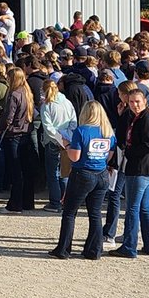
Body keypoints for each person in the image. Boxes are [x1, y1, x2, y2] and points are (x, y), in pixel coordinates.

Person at [49, 101, 115, 260]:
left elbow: (75, 156)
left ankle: (63, 249)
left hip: (82, 173)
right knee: (95, 213)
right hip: (101, 173)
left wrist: (66, 144)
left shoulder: (81, 131)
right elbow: (110, 155)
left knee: (70, 212)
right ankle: (94, 250)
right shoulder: (108, 132)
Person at [109, 89, 149, 258]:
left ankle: (129, 246)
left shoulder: (146, 119)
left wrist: (128, 153)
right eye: (131, 102)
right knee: (144, 207)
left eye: (137, 101)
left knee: (132, 208)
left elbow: (147, 146)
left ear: (145, 101)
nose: (135, 105)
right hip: (145, 167)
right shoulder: (136, 117)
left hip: (141, 168)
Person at [0, 68, 34, 213]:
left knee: (15, 171)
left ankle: (14, 204)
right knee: (25, 170)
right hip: (25, 133)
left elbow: (8, 117)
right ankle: (26, 202)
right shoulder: (27, 92)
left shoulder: (14, 94)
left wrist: (0, 128)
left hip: (14, 134)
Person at [39, 79, 77, 213]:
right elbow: (74, 121)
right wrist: (67, 137)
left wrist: (58, 138)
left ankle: (55, 202)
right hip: (67, 140)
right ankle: (65, 200)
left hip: (53, 142)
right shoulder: (67, 103)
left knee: (53, 173)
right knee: (64, 172)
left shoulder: (46, 106)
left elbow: (48, 127)